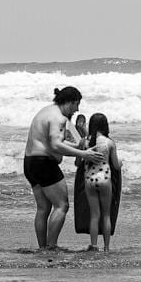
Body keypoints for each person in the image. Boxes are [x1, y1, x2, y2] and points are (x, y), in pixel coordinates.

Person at [23, 86, 107, 250]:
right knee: (62, 205)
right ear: (70, 102)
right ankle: (52, 246)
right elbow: (55, 145)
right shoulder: (59, 118)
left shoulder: (46, 111)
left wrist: (76, 146)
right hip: (44, 163)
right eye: (76, 105)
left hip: (30, 162)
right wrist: (84, 155)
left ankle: (42, 248)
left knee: (43, 208)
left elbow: (51, 141)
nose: (77, 110)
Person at [81, 113, 120, 252]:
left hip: (89, 180)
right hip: (104, 179)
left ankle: (94, 245)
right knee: (106, 214)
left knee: (94, 215)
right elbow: (116, 165)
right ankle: (107, 248)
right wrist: (122, 163)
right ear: (105, 125)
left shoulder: (85, 142)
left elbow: (77, 162)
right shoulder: (109, 143)